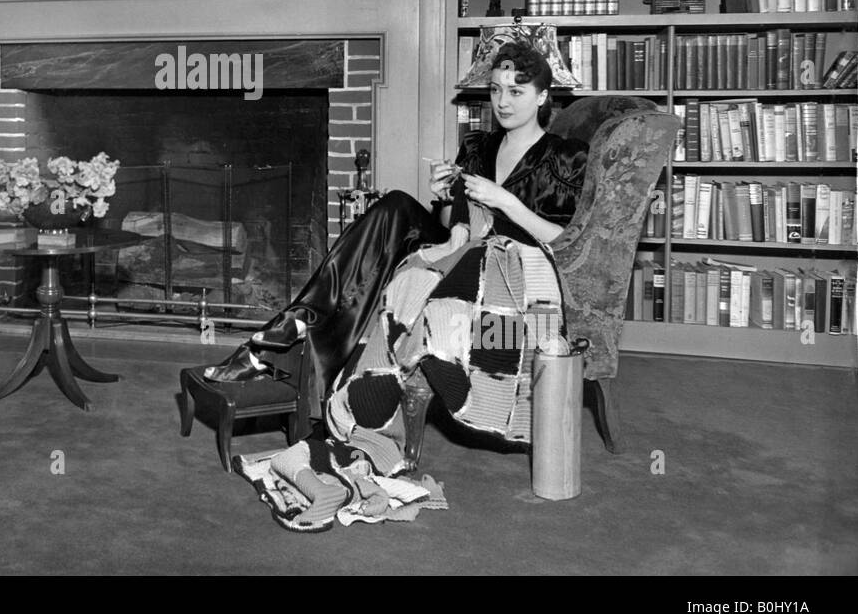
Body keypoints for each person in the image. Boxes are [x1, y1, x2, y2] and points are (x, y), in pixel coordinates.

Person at [205, 39, 589, 530]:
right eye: (495, 90)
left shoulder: (565, 156)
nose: (504, 101)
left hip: (514, 272)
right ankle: (296, 329)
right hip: (463, 248)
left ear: (542, 96)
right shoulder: (477, 146)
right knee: (393, 207)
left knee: (418, 274)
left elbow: (569, 243)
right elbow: (457, 223)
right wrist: (443, 201)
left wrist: (504, 202)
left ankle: (299, 344)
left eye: (518, 90)